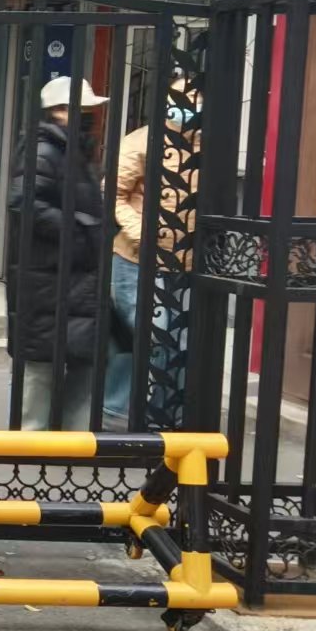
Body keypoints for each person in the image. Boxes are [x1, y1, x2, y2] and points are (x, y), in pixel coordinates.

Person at [6, 75, 108, 431]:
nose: (90, 116)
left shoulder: (72, 149)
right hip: (48, 275)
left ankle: (67, 439)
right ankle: (33, 441)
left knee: (84, 359)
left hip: (73, 275)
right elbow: (24, 202)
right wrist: (81, 230)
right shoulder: (45, 149)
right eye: (84, 109)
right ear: (60, 111)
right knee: (41, 366)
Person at [102, 84, 200, 429]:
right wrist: (143, 233)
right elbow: (112, 194)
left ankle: (166, 415)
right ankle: (115, 412)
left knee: (179, 341)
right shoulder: (142, 141)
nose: (188, 110)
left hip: (186, 263)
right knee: (144, 336)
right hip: (136, 260)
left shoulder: (207, 145)